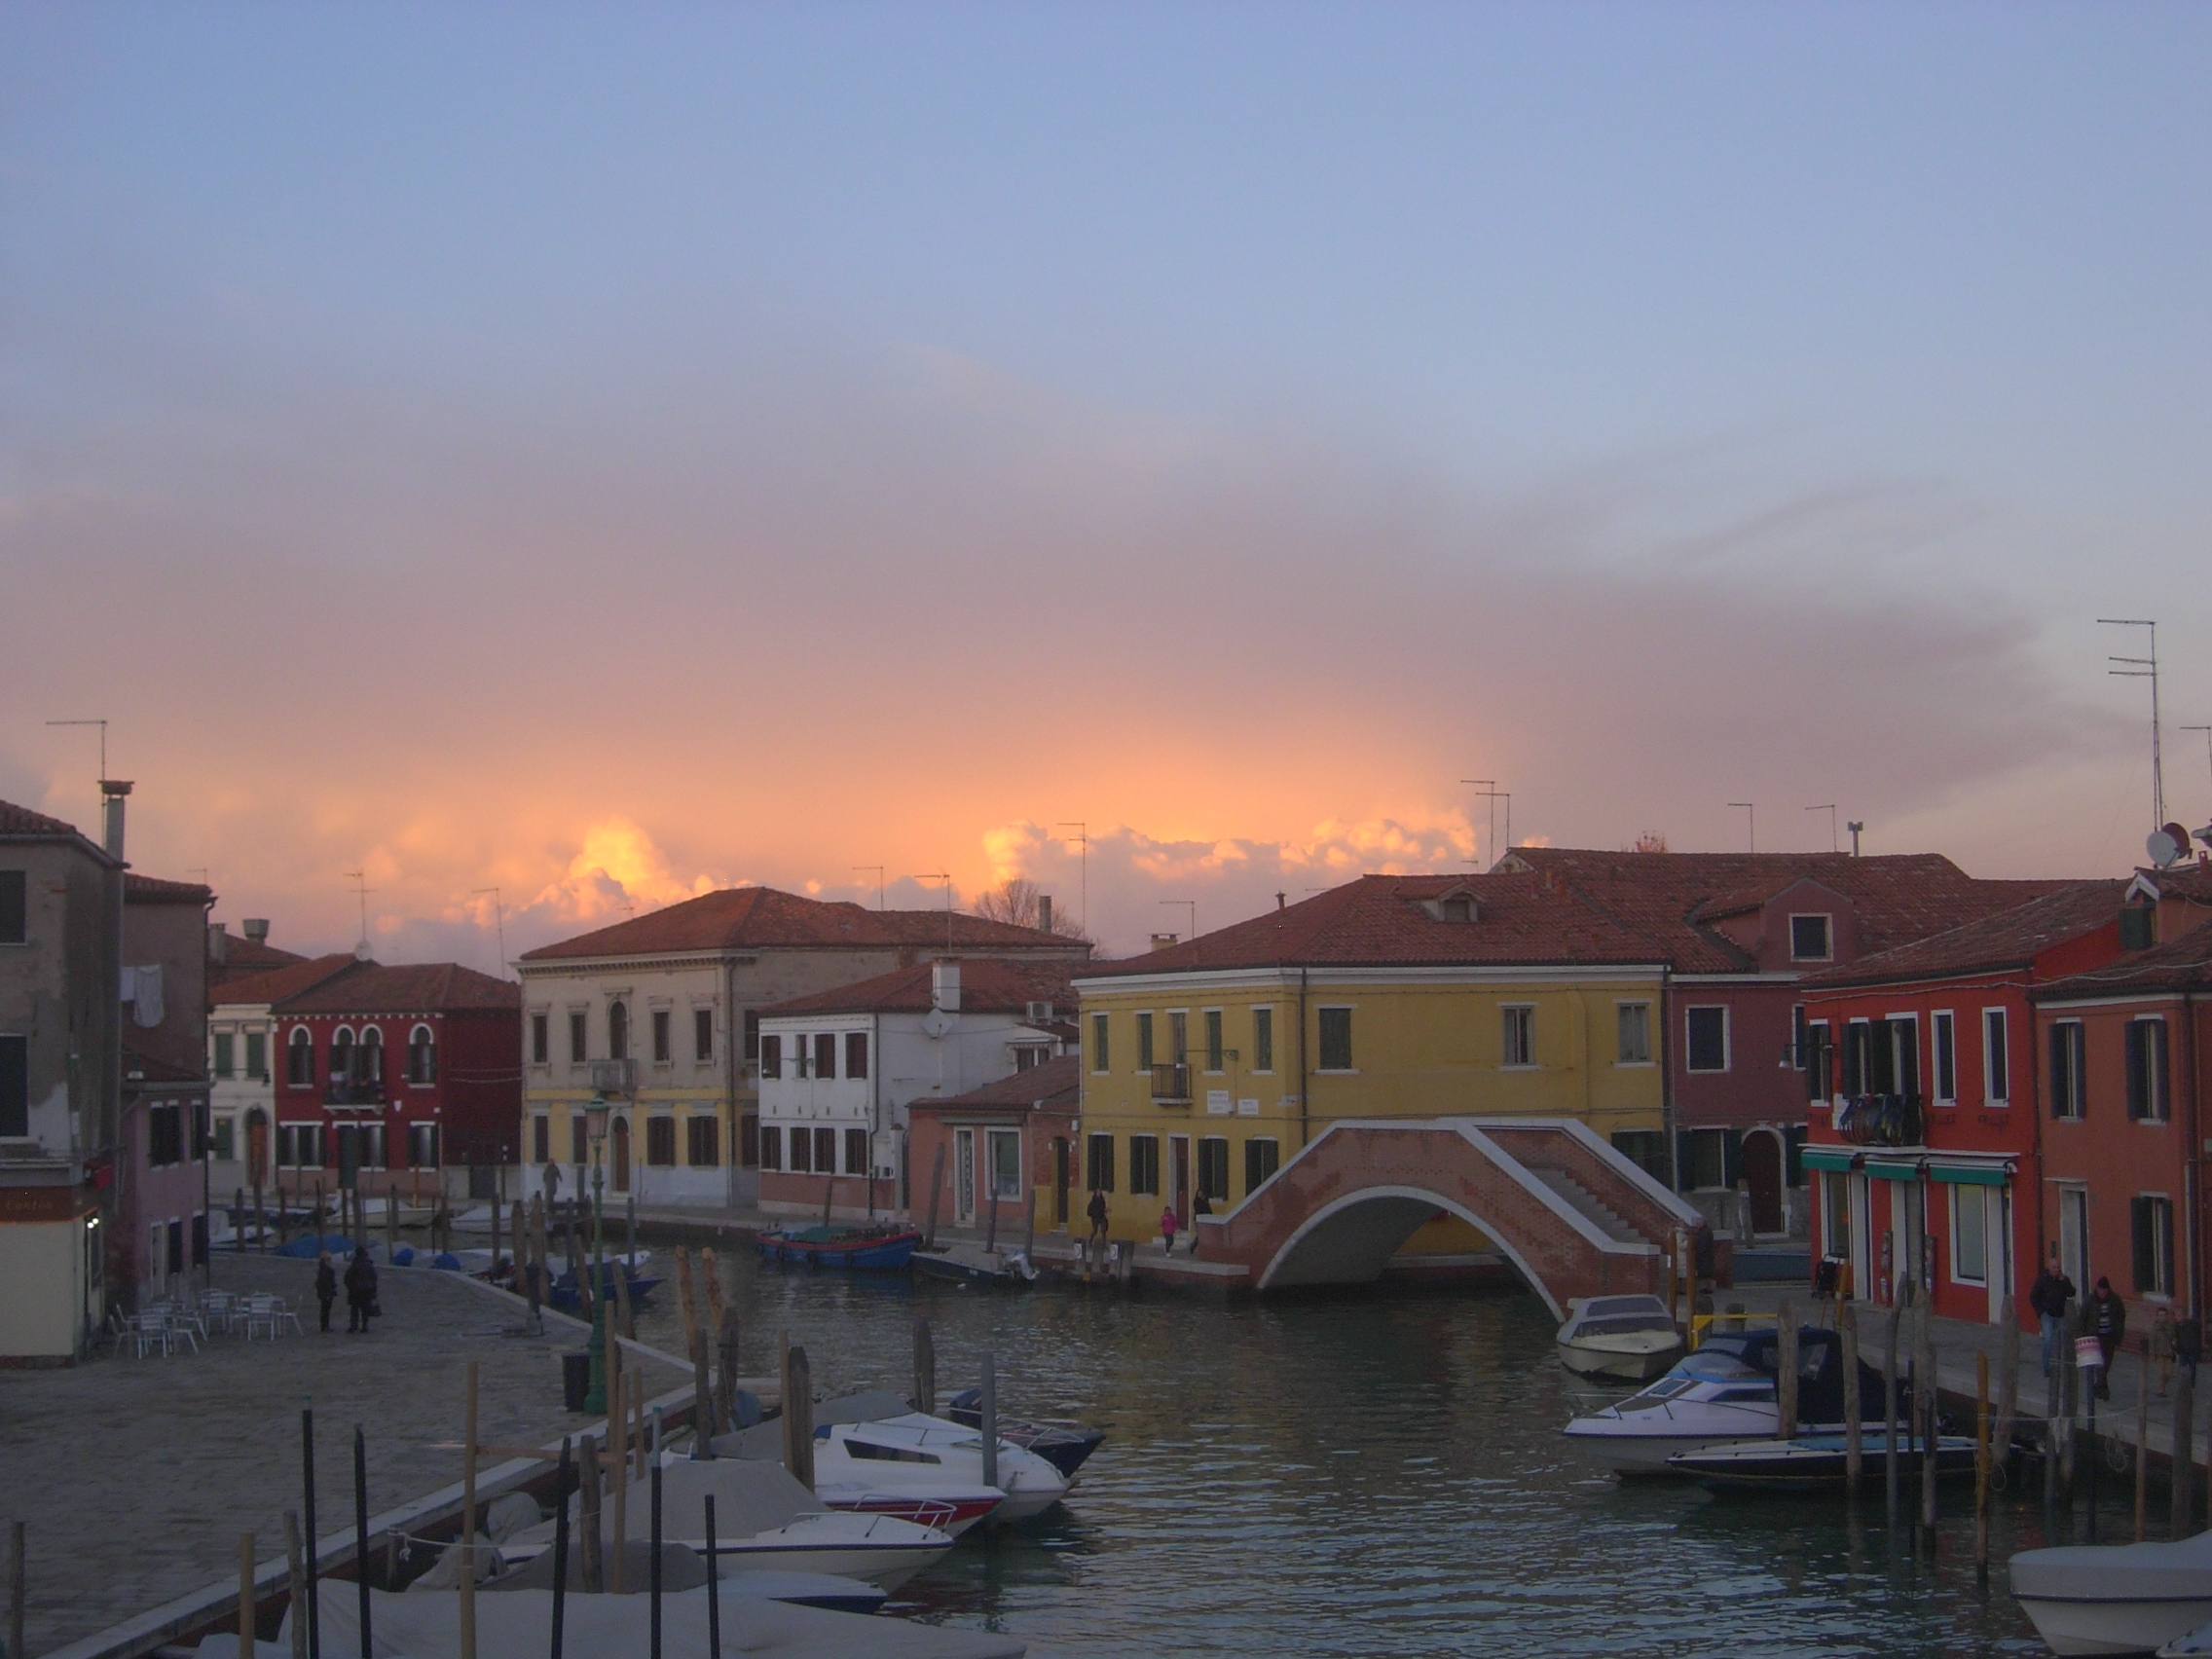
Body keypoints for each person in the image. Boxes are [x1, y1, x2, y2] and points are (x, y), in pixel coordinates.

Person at [2029, 1246, 2075, 1378]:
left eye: (2058, 1267)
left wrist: (2065, 1281)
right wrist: (2041, 1311)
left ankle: (2061, 1365)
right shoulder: (2042, 1280)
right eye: (2054, 1267)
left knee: (2062, 1341)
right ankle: (2047, 1367)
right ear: (2049, 1268)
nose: (2057, 1270)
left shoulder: (2063, 1280)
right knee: (2048, 1340)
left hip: (2060, 1314)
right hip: (2047, 1315)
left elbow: (2072, 1292)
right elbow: (2033, 1296)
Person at [2088, 1276, 2126, 1399]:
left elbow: (2121, 1315)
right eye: (2100, 1290)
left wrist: (2119, 1331)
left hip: (2110, 1336)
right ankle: (2103, 1389)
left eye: (2104, 1291)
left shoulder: (2115, 1300)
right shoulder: (2091, 1300)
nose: (2102, 1293)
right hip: (2096, 1336)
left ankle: (2099, 1387)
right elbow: (2083, 1317)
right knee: (2100, 1363)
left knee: (2107, 1362)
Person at [344, 1246, 378, 1335]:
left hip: (355, 1290)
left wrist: (350, 1287)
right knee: (365, 1308)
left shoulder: (354, 1264)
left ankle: (354, 1326)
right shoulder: (369, 1264)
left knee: (354, 1309)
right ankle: (365, 1326)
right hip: (367, 1289)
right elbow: (374, 1278)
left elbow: (347, 1277)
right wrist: (373, 1290)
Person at [2153, 1305, 2178, 1395]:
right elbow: (2152, 1341)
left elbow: (2174, 1336)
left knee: (2169, 1373)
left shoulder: (2171, 1326)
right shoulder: (2154, 1328)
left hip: (2169, 1353)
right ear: (2157, 1316)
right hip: (2159, 1353)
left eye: (2164, 1315)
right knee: (2161, 1373)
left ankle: (2162, 1385)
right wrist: (2152, 1354)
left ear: (2167, 1316)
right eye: (2160, 1315)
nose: (2162, 1317)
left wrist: (2174, 1342)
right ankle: (2161, 1390)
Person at [313, 1250, 338, 1333]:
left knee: (325, 1309)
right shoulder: (326, 1270)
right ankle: (325, 1326)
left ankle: (324, 1326)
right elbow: (326, 1282)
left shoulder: (322, 1269)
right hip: (327, 1292)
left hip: (324, 1292)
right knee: (326, 1310)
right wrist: (328, 1292)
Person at [1190, 1187, 1211, 1251]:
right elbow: (1198, 1210)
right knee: (1199, 1234)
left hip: (1205, 1219)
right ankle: (1193, 1246)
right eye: (1199, 1193)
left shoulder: (1206, 1200)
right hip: (1198, 1219)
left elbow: (1209, 1210)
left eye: (1201, 1193)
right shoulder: (1196, 1201)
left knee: (1204, 1234)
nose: (1200, 1194)